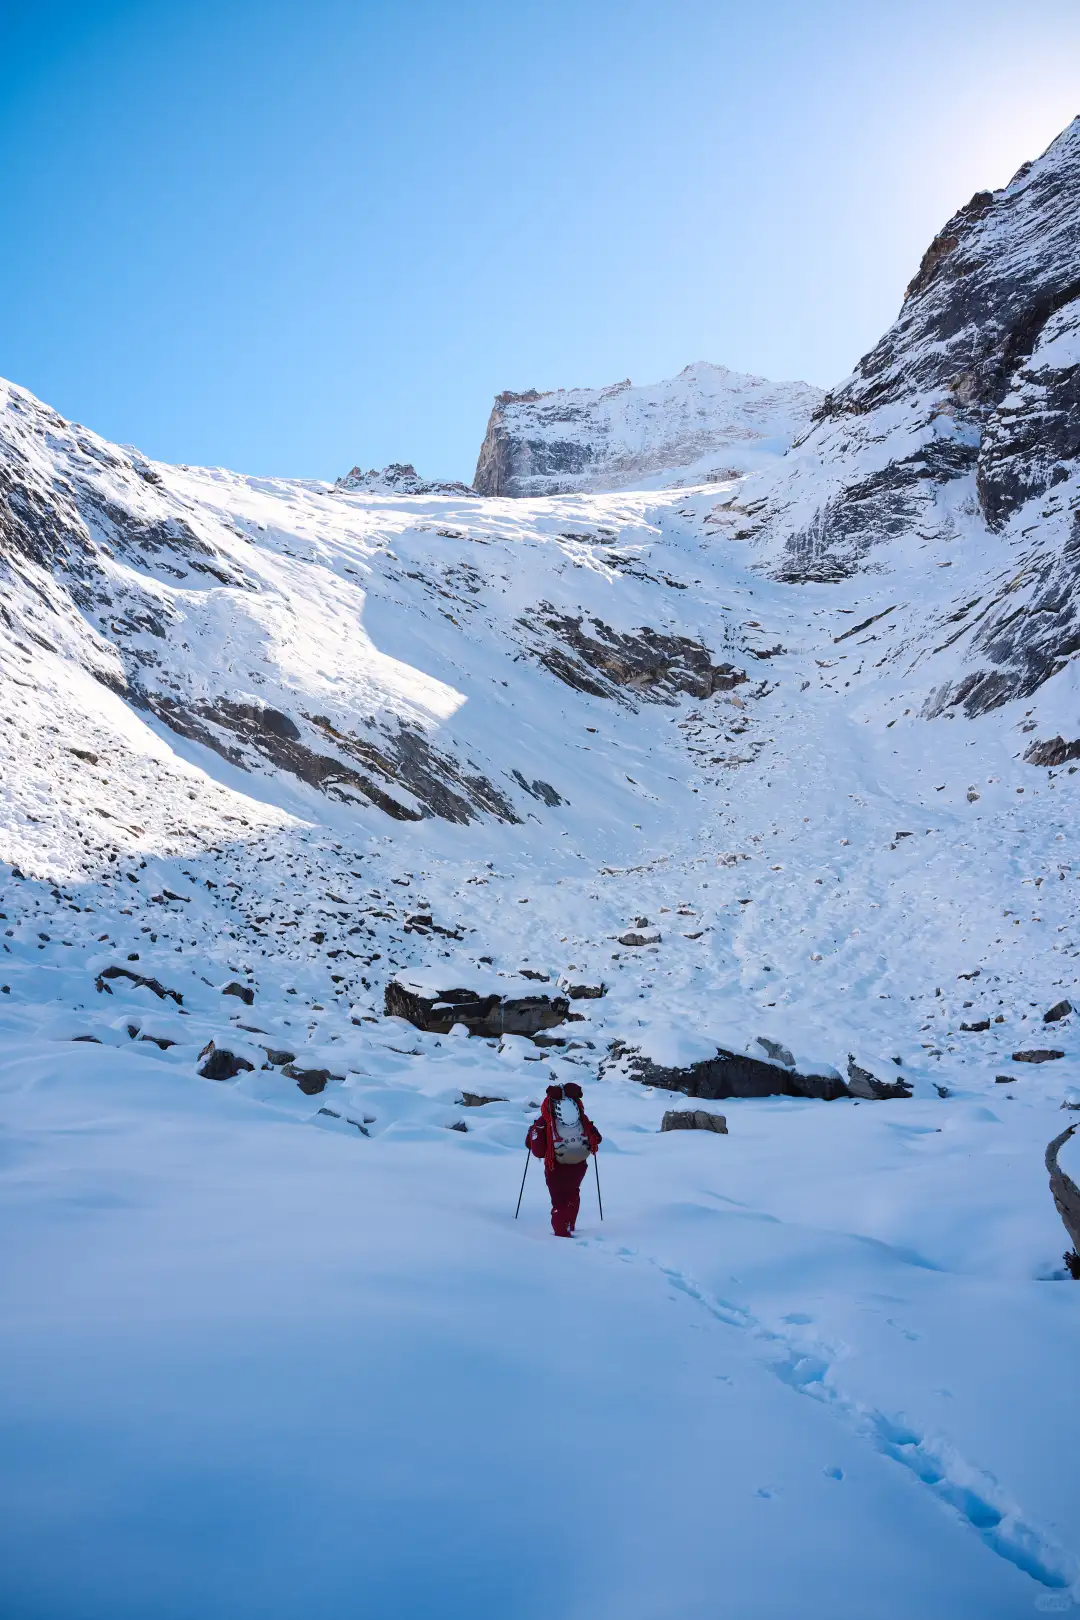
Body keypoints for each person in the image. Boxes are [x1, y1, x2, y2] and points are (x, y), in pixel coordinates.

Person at [526, 1081, 601, 1237]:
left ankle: (561, 1235)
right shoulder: (581, 1118)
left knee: (559, 1199)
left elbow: (538, 1151)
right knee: (573, 1192)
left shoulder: (545, 1121)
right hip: (579, 1164)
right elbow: (597, 1138)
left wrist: (531, 1134)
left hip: (556, 1166)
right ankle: (570, 1223)